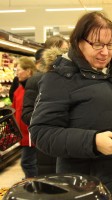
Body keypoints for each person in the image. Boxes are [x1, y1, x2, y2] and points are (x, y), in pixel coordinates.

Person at [29, 11, 112, 200]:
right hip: (91, 189)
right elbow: (41, 133)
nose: (106, 52)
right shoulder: (59, 78)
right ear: (78, 42)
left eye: (110, 45)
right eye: (97, 44)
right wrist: (92, 142)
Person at [22, 35, 69, 176]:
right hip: (47, 144)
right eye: (63, 50)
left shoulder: (72, 78)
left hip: (69, 142)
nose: (66, 55)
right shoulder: (36, 80)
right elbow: (26, 115)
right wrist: (51, 117)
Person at [11, 56, 37, 178]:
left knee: (27, 163)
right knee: (29, 162)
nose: (17, 73)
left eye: (19, 69)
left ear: (28, 71)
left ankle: (33, 184)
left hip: (30, 134)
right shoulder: (20, 87)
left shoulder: (32, 88)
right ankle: (31, 181)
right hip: (22, 133)